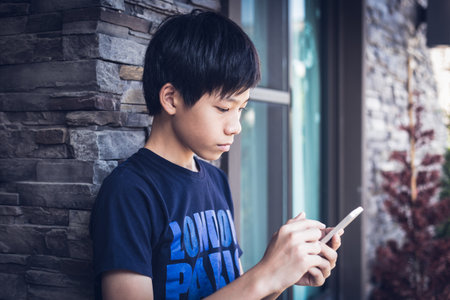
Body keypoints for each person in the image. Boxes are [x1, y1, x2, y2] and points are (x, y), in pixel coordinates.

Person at [89, 10, 342, 300]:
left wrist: (280, 277)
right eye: (223, 108)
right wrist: (265, 274)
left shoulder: (216, 181)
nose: (235, 127)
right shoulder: (130, 192)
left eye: (241, 109)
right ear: (171, 99)